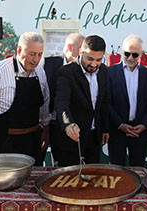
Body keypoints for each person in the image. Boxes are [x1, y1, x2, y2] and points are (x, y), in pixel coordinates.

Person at [0, 32, 51, 166]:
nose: (36, 59)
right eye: (31, 54)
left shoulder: (40, 72)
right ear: (19, 50)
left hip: (32, 142)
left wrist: (46, 131)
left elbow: (44, 104)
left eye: (39, 55)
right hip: (3, 143)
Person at [52, 35, 109, 167]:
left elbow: (103, 101)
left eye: (98, 59)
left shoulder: (104, 71)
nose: (94, 64)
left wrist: (105, 128)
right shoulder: (66, 72)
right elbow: (61, 102)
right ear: (80, 52)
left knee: (92, 181)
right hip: (70, 140)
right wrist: (68, 124)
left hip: (93, 138)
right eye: (90, 59)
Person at [107, 34, 147, 166]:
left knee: (138, 171)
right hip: (117, 132)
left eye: (135, 55)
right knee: (117, 174)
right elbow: (107, 103)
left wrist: (144, 125)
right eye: (127, 53)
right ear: (122, 51)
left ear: (141, 54)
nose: (130, 58)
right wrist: (121, 125)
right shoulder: (110, 72)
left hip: (139, 132)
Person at [43, 33, 84, 164]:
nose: (84, 53)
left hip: (80, 127)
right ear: (70, 47)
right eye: (81, 49)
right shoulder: (48, 64)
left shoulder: (86, 68)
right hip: (55, 126)